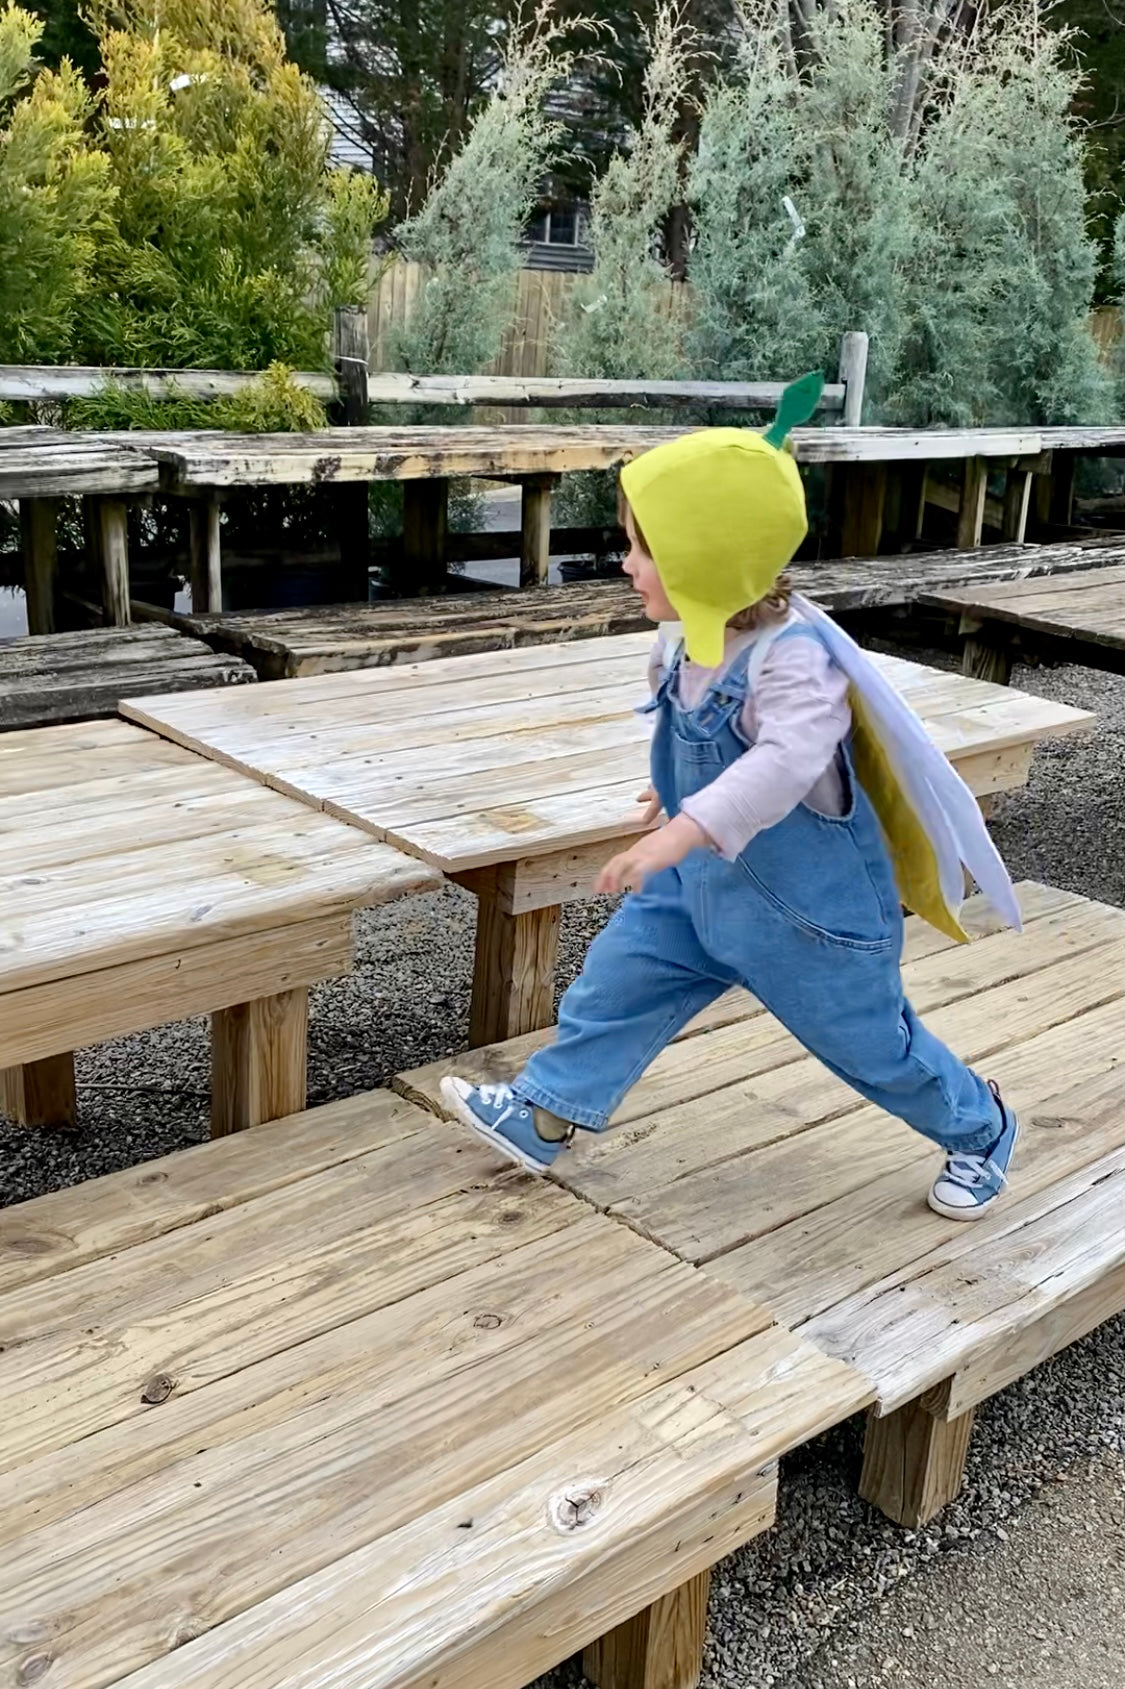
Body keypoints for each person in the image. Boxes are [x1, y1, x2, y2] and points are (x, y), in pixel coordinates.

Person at [441, 407, 1019, 1221]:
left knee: (871, 1048)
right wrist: (667, 794)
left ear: (706, 560)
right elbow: (691, 735)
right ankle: (546, 1114)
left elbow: (782, 762)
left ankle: (980, 1126)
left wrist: (682, 827)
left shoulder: (796, 662)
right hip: (702, 885)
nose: (624, 563)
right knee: (616, 983)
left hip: (807, 915)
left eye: (644, 548)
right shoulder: (684, 636)